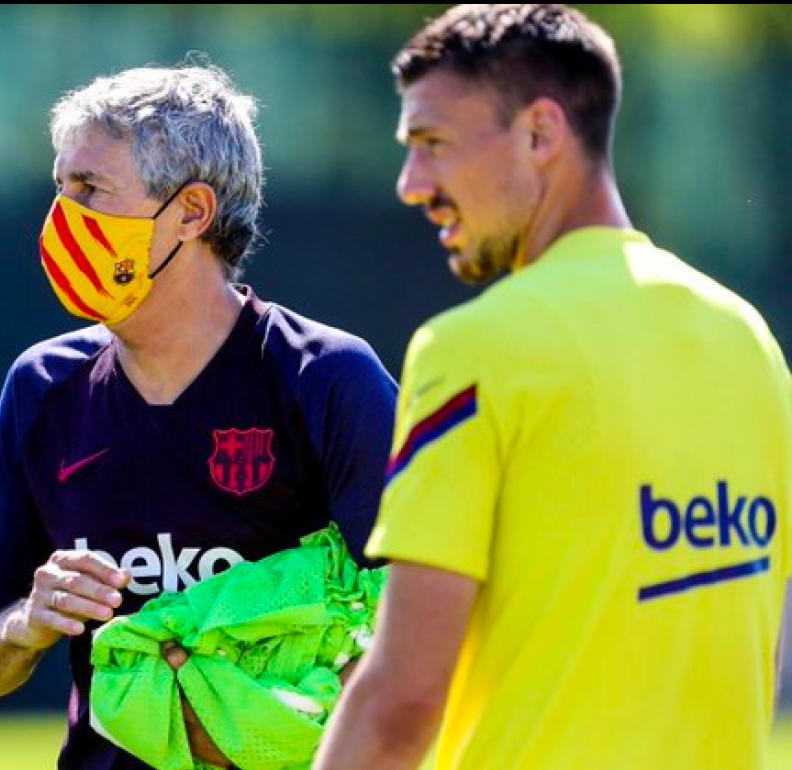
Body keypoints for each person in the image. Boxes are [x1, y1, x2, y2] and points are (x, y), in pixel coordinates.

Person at [314, 5, 792, 770]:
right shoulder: (749, 342)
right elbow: (760, 652)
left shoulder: (471, 350)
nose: (411, 185)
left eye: (433, 144)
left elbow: (403, 699)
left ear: (540, 133)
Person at [0, 63, 399, 770]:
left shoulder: (325, 377)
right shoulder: (44, 385)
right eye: (61, 189)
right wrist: (26, 623)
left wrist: (274, 739)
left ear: (192, 212)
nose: (62, 220)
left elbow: (425, 627)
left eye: (90, 191)